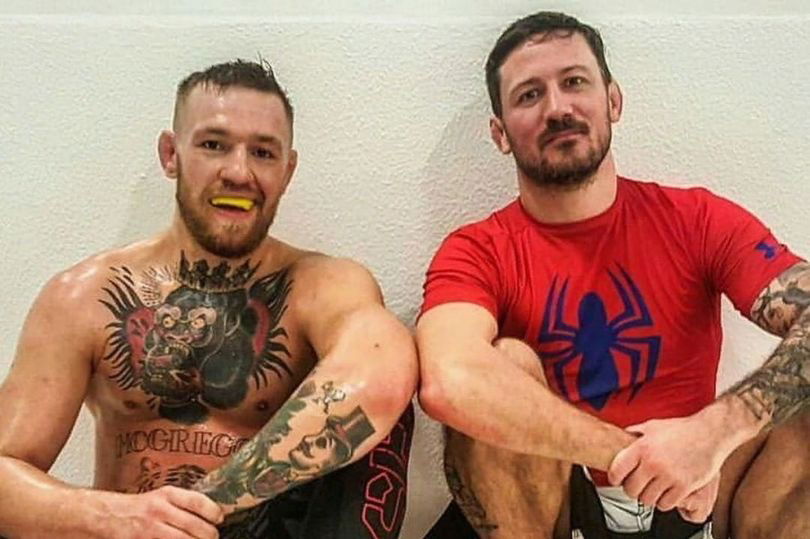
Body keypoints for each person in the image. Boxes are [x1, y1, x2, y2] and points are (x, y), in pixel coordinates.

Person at [417, 11, 809, 539]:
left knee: (802, 390)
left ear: (613, 101)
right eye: (529, 95)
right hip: (563, 502)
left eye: (574, 82)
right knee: (503, 363)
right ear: (500, 134)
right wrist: (633, 456)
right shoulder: (478, 250)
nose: (558, 108)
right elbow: (450, 379)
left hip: (700, 493)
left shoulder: (696, 220)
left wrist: (714, 433)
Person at [0, 59, 417, 539]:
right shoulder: (85, 295)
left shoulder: (322, 285)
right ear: (170, 154)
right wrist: (121, 517)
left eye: (263, 152)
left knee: (389, 424)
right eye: (213, 145)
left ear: (287, 171)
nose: (238, 172)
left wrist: (201, 509)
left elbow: (382, 378)